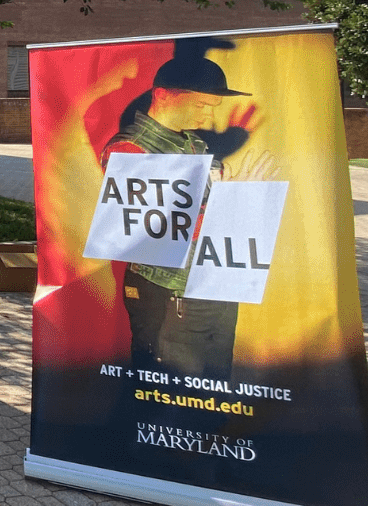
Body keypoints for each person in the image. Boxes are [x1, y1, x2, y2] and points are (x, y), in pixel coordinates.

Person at [101, 49, 277, 381]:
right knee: (169, 384)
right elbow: (148, 229)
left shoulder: (195, 146)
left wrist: (240, 197)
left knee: (213, 383)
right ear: (162, 96)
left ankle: (208, 434)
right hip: (167, 291)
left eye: (212, 109)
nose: (207, 119)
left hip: (213, 284)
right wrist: (225, 200)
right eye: (199, 105)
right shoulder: (130, 149)